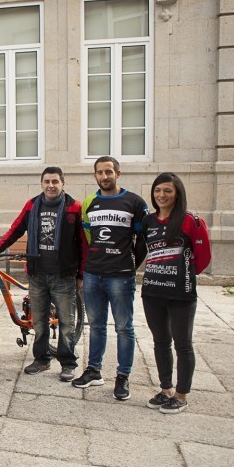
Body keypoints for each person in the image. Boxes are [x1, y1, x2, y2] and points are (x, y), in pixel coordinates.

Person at [0, 167, 85, 382]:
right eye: (47, 181)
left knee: (66, 322)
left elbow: (83, 243)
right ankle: (41, 359)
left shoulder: (74, 207)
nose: (51, 185)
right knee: (39, 321)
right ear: (41, 184)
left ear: (63, 184)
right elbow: (16, 229)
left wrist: (81, 274)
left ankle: (68, 363)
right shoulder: (32, 205)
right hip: (38, 274)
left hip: (63, 274)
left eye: (55, 181)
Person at [72, 156, 148, 401]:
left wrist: (130, 264)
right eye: (100, 173)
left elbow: (143, 241)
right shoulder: (89, 203)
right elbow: (88, 237)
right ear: (95, 176)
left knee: (124, 328)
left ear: (118, 173)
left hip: (121, 276)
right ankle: (94, 370)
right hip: (94, 274)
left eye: (109, 172)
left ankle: (123, 376)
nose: (105, 176)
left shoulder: (134, 202)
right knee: (95, 326)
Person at [141, 173, 211, 414]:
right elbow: (142, 251)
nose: (162, 195)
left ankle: (181, 394)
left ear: (177, 193)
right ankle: (166, 389)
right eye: (158, 190)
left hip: (181, 294)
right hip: (152, 292)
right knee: (160, 342)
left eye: (168, 191)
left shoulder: (192, 221)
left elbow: (203, 259)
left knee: (183, 344)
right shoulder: (148, 222)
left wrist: (184, 274)